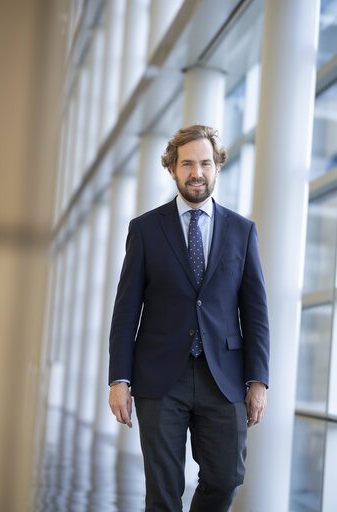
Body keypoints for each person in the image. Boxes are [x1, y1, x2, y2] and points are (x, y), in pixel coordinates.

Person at [108, 124, 270, 512]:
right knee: (162, 491)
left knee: (226, 476)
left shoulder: (242, 231)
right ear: (172, 169)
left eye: (205, 163)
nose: (197, 172)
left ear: (217, 168)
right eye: (187, 164)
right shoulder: (145, 229)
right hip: (161, 376)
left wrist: (259, 380)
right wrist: (119, 378)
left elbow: (256, 310)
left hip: (225, 376)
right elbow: (127, 309)